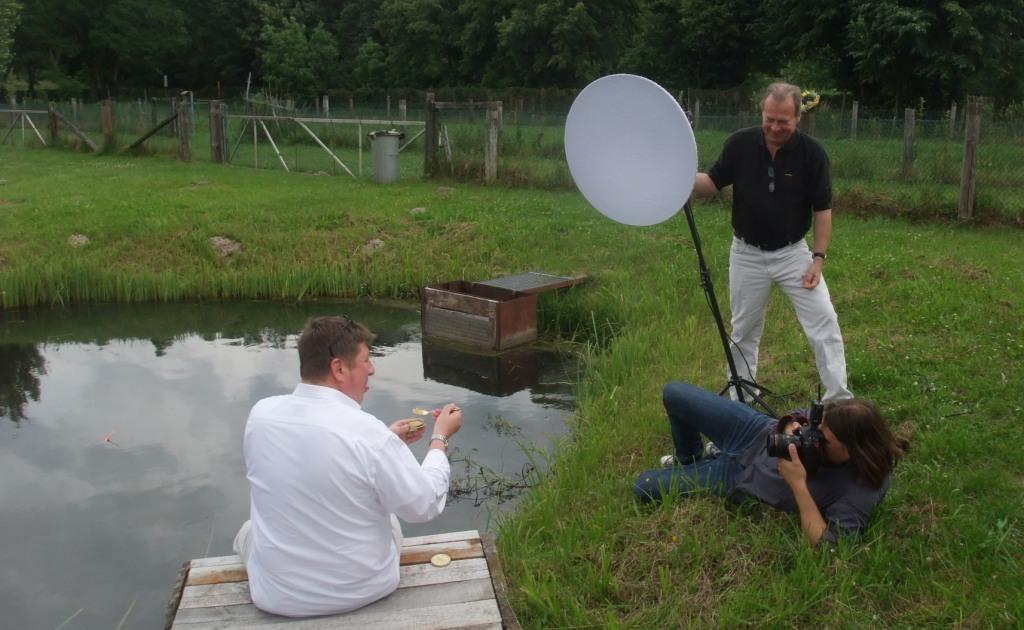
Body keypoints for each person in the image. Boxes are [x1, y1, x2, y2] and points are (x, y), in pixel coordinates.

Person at [232, 315, 463, 617]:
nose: (372, 369)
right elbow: (424, 505)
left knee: (248, 530)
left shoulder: (261, 415)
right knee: (390, 520)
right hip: (362, 590)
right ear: (339, 368)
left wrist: (387, 442)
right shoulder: (368, 434)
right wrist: (439, 437)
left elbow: (312, 457)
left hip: (274, 597)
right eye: (365, 360)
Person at [692, 82, 851, 401]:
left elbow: (822, 210)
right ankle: (742, 401)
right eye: (769, 119)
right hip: (746, 254)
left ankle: (838, 402)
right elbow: (712, 183)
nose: (775, 127)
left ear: (798, 118)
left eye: (783, 121)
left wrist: (818, 258)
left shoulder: (812, 154)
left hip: (793, 254)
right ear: (761, 113)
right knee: (744, 330)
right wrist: (678, 174)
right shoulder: (740, 144)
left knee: (824, 321)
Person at [633, 382, 906, 546]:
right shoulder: (834, 424)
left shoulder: (863, 487)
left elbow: (829, 546)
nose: (814, 438)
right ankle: (690, 459)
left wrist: (798, 484)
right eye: (816, 430)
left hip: (742, 478)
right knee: (674, 393)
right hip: (752, 431)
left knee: (643, 486)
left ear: (849, 449)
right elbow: (800, 415)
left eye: (823, 440)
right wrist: (788, 427)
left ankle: (713, 459)